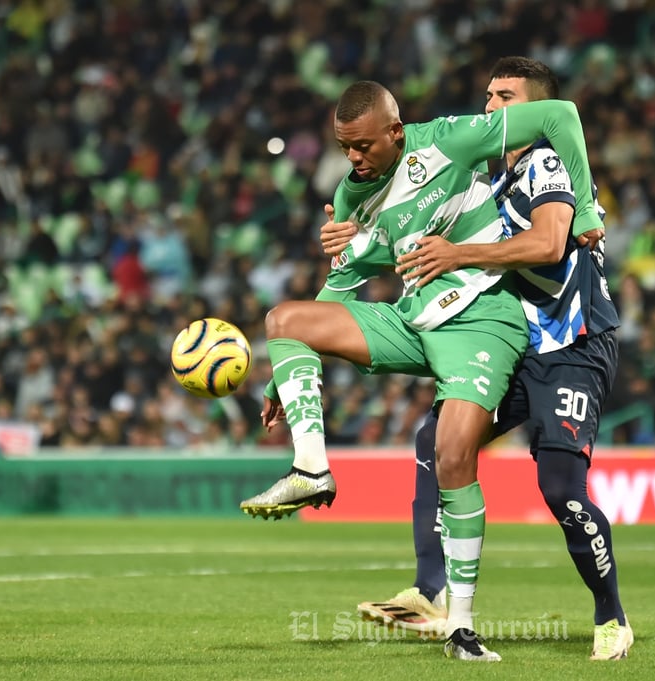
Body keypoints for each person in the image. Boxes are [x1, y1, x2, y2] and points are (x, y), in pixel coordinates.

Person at [238, 79, 602, 662]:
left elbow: (560, 114)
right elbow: (340, 287)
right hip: (413, 319)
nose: (354, 159)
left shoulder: (450, 141)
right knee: (285, 319)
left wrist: (582, 205)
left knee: (453, 454)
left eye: (363, 147)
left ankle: (461, 628)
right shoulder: (351, 197)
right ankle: (311, 468)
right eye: (343, 148)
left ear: (395, 132)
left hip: (482, 320)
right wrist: (284, 374)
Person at [320, 58, 631, 661]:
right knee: (438, 441)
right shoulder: (490, 178)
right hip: (517, 340)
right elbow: (416, 242)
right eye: (488, 95)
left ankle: (610, 615)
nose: (490, 107)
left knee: (562, 489)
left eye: (505, 97)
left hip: (570, 346)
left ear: (533, 109)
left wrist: (458, 253)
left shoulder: (544, 163)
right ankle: (430, 591)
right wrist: (355, 242)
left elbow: (546, 244)